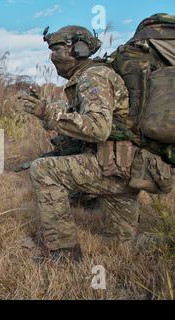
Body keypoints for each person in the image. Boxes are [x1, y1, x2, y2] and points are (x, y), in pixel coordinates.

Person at [14, 25, 170, 263]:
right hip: (126, 168)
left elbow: (97, 128)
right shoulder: (92, 76)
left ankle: (62, 254)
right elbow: (83, 122)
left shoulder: (93, 76)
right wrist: (47, 114)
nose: (52, 56)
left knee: (44, 170)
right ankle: (168, 243)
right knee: (122, 246)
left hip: (115, 168)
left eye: (57, 48)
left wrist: (47, 112)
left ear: (79, 48)